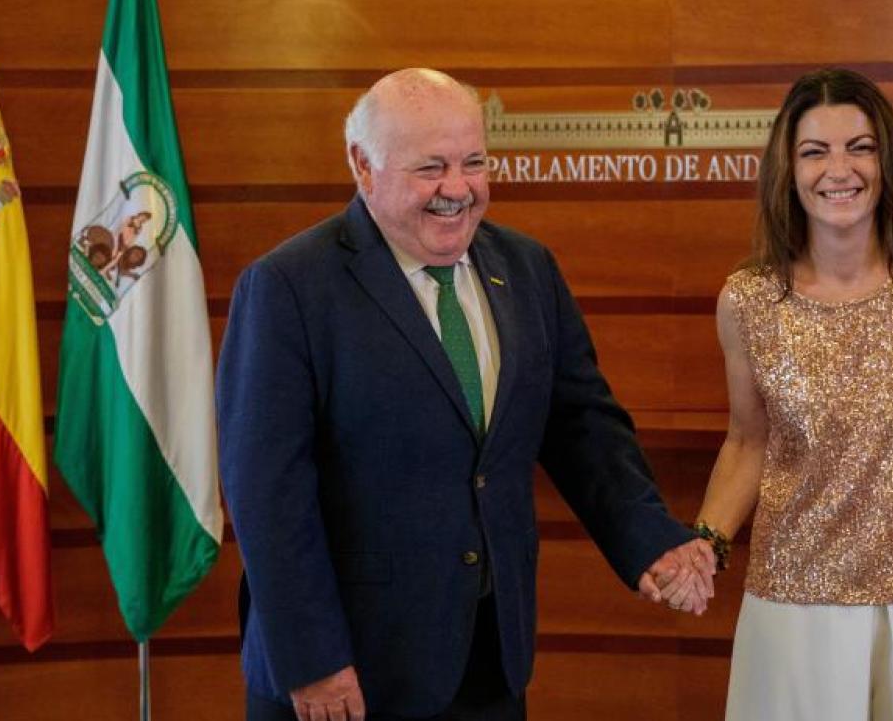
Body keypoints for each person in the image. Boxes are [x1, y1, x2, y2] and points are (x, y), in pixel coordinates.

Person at [216, 68, 716, 721]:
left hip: (488, 659)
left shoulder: (527, 267)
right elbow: (266, 494)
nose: (459, 190)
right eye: (431, 168)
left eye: (474, 162)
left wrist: (648, 536)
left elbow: (581, 425)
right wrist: (311, 659)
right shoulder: (288, 288)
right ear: (363, 166)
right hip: (349, 673)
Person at [690, 68, 893, 720]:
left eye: (859, 147)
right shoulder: (746, 301)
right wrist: (707, 541)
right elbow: (749, 441)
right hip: (793, 606)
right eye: (815, 151)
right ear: (788, 168)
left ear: (886, 158)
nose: (840, 169)